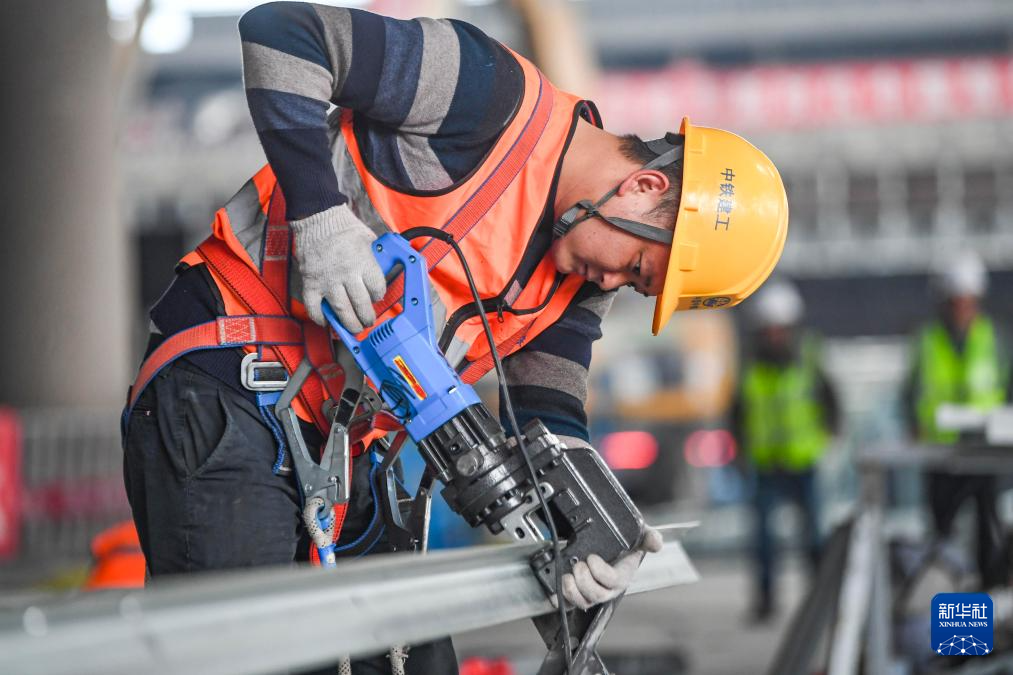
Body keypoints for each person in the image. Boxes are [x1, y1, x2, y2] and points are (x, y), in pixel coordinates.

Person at [121, 3, 789, 672]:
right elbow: (282, 32)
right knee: (245, 652)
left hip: (341, 443)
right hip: (228, 383)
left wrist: (586, 527)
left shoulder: (579, 280)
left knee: (412, 657)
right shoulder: (485, 95)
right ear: (643, 186)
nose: (615, 280)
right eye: (636, 266)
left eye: (635, 285)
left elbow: (548, 418)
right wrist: (320, 218)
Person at [731, 280, 838, 622]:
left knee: (815, 538)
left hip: (803, 461)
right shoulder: (750, 366)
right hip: (766, 464)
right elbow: (738, 413)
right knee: (763, 541)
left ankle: (820, 600)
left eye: (780, 329)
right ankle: (765, 602)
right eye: (770, 329)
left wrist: (830, 440)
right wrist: (740, 453)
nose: (775, 335)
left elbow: (831, 403)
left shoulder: (809, 358)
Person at [903, 251, 1008, 590]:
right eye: (957, 301)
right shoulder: (928, 341)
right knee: (942, 535)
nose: (963, 308)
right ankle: (953, 617)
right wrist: (915, 426)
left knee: (988, 534)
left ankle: (990, 608)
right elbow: (911, 392)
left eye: (968, 301)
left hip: (985, 454)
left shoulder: (993, 339)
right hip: (942, 454)